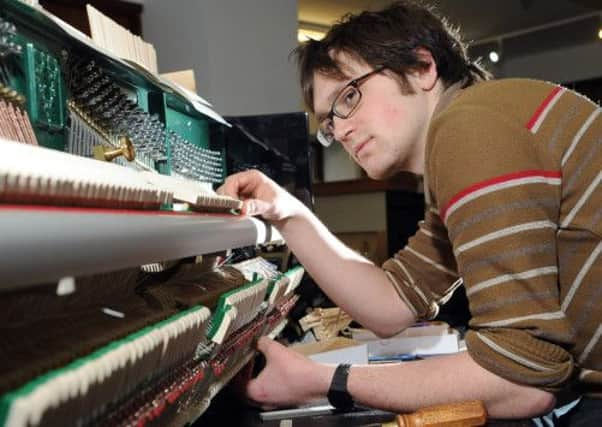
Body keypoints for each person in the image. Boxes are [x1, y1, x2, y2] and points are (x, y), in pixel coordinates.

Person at [218, 1, 601, 423]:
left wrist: (327, 380)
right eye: (329, 123)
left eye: (349, 96)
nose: (340, 129)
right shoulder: (472, 131)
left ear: (422, 67)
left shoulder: (470, 129)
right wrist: (287, 212)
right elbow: (391, 304)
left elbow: (523, 382)